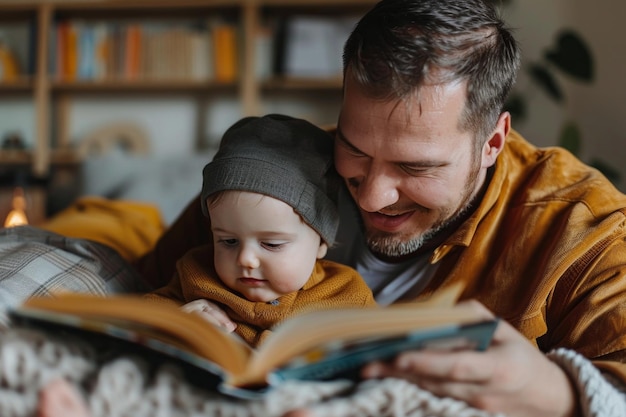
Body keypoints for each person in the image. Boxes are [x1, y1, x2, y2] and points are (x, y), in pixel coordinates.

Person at [132, 0, 626, 416]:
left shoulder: (584, 229)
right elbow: (143, 290)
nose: (370, 197)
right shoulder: (276, 174)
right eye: (356, 151)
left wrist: (558, 392)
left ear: (492, 141)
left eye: (415, 168)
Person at [144, 114, 375, 348]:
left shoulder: (345, 293)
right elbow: (141, 312)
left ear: (321, 243)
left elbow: (375, 345)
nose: (246, 259)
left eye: (272, 244)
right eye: (228, 241)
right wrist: (179, 320)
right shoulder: (196, 273)